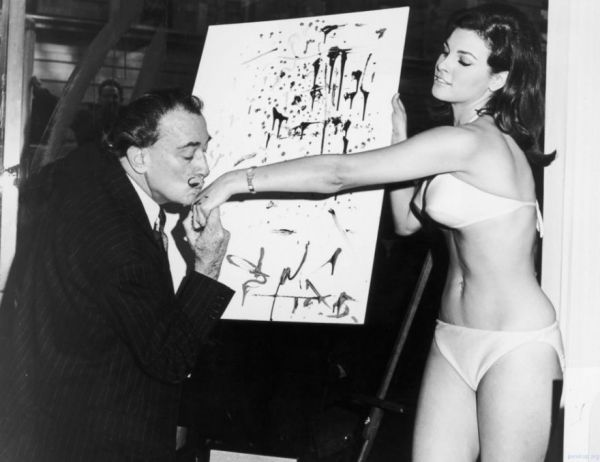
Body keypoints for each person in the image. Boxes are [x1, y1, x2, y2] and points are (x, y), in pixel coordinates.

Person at [194, 4, 564, 461]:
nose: (443, 64)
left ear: (498, 79)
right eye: (445, 51)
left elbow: (338, 173)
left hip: (515, 345)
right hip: (452, 335)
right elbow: (407, 222)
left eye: (464, 60)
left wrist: (237, 180)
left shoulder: (474, 142)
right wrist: (398, 140)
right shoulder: (453, 142)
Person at [0, 89, 234, 461]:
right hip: (95, 442)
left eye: (205, 150)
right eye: (189, 154)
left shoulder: (88, 170)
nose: (204, 168)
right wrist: (208, 265)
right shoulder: (121, 241)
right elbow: (170, 357)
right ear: (139, 157)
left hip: (48, 419)